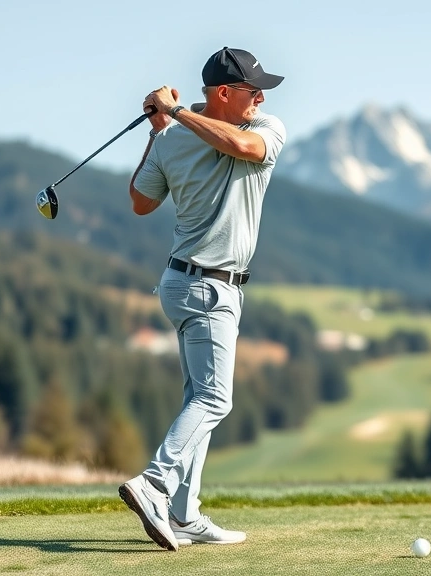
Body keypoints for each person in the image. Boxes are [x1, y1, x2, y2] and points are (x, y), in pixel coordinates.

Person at [117, 45, 286, 551]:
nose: (261, 97)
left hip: (186, 285)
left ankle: (185, 515)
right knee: (215, 398)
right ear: (224, 93)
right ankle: (154, 482)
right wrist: (159, 130)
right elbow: (141, 203)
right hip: (209, 288)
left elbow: (243, 148)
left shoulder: (262, 129)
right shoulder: (172, 137)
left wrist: (170, 119)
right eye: (252, 89)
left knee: (200, 397)